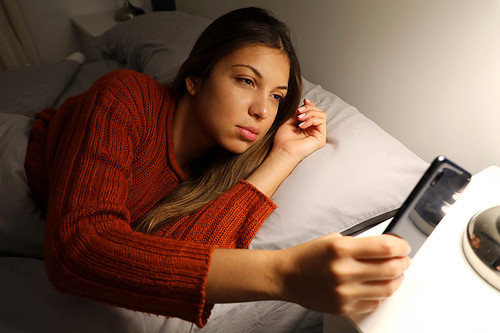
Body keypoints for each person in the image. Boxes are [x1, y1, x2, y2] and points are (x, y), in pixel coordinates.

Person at [25, 7, 410, 328]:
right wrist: (282, 274)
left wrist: (284, 156)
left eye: (276, 96)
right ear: (195, 78)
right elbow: (78, 248)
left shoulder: (220, 165)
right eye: (246, 80)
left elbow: (175, 263)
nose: (262, 110)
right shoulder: (124, 96)